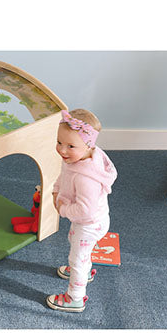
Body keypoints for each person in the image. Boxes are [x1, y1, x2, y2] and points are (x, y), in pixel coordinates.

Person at [46, 109, 117, 313]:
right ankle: (83, 272)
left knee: (77, 259)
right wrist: (57, 189)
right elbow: (65, 174)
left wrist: (63, 208)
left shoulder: (86, 179)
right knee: (73, 240)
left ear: (88, 145)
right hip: (87, 221)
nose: (62, 150)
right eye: (59, 142)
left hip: (89, 223)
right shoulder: (78, 157)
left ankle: (75, 298)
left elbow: (85, 211)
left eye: (70, 146)